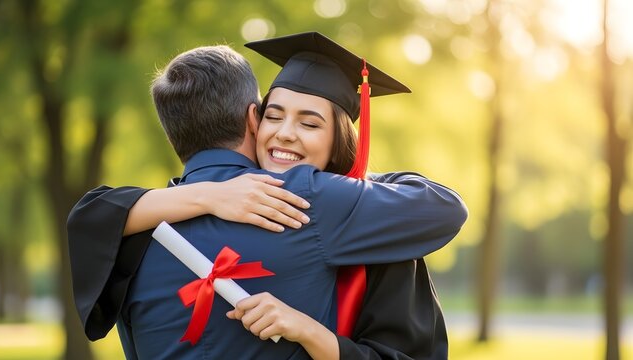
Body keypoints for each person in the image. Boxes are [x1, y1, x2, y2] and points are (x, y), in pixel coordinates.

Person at [68, 33, 466, 359]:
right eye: (274, 115)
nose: (286, 133)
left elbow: (90, 215)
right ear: (253, 119)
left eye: (309, 122)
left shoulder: (130, 229)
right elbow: (444, 207)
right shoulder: (309, 200)